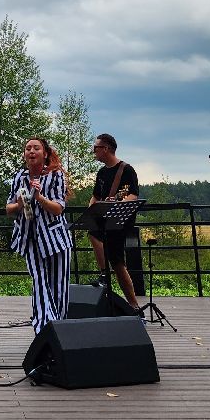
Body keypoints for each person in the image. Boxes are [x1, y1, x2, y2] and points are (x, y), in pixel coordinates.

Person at [4, 135, 71, 333]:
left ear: (45, 153)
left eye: (36, 148)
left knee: (59, 287)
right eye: (28, 149)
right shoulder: (19, 177)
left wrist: (39, 197)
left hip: (55, 239)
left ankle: (59, 329)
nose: (31, 151)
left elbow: (58, 209)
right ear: (24, 154)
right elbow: (8, 209)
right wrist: (19, 203)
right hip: (30, 238)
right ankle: (44, 329)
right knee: (39, 281)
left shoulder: (56, 176)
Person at [90, 133, 141, 311]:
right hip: (104, 220)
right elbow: (96, 196)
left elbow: (132, 195)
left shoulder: (126, 170)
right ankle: (105, 273)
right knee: (93, 234)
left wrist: (118, 205)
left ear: (106, 149)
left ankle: (134, 305)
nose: (93, 151)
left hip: (120, 221)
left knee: (117, 262)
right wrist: (91, 212)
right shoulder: (102, 172)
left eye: (96, 148)